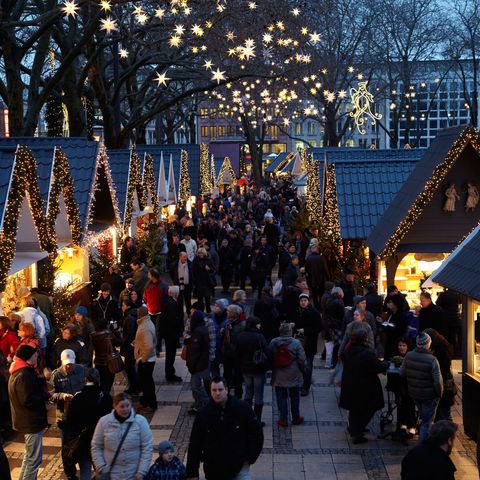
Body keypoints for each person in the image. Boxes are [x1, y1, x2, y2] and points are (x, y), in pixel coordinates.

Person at [186, 376, 264, 480]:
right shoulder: (203, 414)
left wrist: (249, 457)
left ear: (226, 390)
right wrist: (192, 473)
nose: (217, 393)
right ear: (210, 391)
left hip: (239, 468)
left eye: (220, 389)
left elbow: (257, 433)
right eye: (214, 390)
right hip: (214, 471)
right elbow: (195, 444)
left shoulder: (242, 408)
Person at [339, 322, 389, 444]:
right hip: (365, 387)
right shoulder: (367, 353)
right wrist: (386, 364)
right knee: (368, 408)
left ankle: (355, 428)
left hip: (351, 384)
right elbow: (376, 366)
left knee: (354, 409)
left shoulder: (349, 350)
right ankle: (356, 431)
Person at [8, 345, 48, 480]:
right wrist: (45, 396)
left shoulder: (19, 370)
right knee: (34, 460)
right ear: (27, 357)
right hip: (30, 421)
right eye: (34, 355)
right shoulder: (23, 374)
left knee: (29, 456)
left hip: (26, 420)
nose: (37, 356)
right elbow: (27, 399)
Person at [91, 392, 153, 480]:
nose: (125, 409)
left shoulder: (141, 422)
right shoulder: (103, 422)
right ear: (115, 406)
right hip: (111, 475)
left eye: (127, 406)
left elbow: (147, 447)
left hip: (133, 474)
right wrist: (101, 467)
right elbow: (96, 446)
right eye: (122, 406)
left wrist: (141, 471)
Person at [65, 368, 113, 480]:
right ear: (99, 379)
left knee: (85, 471)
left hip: (83, 441)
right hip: (101, 441)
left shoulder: (77, 398)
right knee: (101, 472)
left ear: (85, 379)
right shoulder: (106, 398)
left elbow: (70, 420)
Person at [400, 332, 443, 443]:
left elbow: (402, 373)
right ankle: (422, 447)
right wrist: (439, 393)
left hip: (414, 393)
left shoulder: (409, 355)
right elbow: (437, 382)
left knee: (423, 417)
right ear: (428, 344)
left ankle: (424, 441)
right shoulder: (432, 360)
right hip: (429, 395)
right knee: (427, 422)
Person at [51, 349, 87, 480]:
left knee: (82, 442)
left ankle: (84, 470)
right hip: (64, 417)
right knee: (66, 447)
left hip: (80, 415)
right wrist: (62, 396)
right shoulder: (56, 375)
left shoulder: (82, 370)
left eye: (71, 364)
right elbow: (51, 396)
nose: (69, 366)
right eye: (66, 364)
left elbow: (87, 387)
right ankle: (70, 473)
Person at [269, 322, 307, 427]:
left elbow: (270, 356)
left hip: (278, 374)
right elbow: (302, 359)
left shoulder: (274, 342)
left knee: (281, 397)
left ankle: (283, 419)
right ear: (290, 332)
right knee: (295, 397)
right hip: (294, 373)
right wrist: (304, 370)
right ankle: (296, 417)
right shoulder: (296, 343)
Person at [236, 316, 269, 426]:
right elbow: (267, 351)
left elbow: (237, 352)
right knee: (258, 394)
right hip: (258, 369)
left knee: (248, 393)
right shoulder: (259, 336)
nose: (260, 325)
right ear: (255, 324)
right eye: (259, 323)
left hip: (245, 369)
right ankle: (257, 420)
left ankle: (247, 418)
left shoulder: (240, 336)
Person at [293, 293, 322, 396]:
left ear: (308, 301)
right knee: (298, 365)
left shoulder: (314, 313)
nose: (303, 302)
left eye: (305, 300)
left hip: (309, 344)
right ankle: (299, 383)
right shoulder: (296, 311)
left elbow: (318, 328)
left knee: (308, 366)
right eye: (301, 301)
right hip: (298, 343)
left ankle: (306, 386)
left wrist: (305, 330)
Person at [424, 328, 455, 421]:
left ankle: (446, 430)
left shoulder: (440, 349)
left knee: (442, 409)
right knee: (445, 409)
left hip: (443, 380)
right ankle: (448, 429)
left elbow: (440, 367)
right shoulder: (444, 344)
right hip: (446, 379)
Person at [185, 310, 210, 415]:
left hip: (198, 365)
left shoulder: (197, 332)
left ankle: (208, 405)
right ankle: (199, 405)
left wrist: (191, 365)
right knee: (197, 386)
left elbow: (195, 352)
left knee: (196, 386)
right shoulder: (202, 329)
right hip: (202, 362)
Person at [158, 286, 184, 382]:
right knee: (170, 355)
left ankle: (170, 372)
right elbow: (174, 319)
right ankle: (170, 374)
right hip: (171, 333)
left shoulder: (167, 301)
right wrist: (180, 330)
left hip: (168, 333)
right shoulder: (171, 303)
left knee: (170, 354)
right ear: (174, 293)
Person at [134, 306, 157, 413]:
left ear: (141, 314)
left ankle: (150, 404)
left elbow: (149, 346)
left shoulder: (145, 327)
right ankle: (145, 402)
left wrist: (143, 359)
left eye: (138, 313)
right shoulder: (145, 323)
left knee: (147, 383)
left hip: (146, 360)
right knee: (145, 383)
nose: (137, 314)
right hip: (147, 359)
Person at [90, 318, 120, 394]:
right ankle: (106, 399)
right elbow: (118, 342)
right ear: (106, 325)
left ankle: (100, 398)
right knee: (108, 384)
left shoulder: (93, 335)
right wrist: (116, 331)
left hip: (98, 362)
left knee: (100, 382)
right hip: (108, 362)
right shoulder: (108, 334)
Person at [222, 304, 246, 398]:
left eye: (228, 312)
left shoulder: (242, 325)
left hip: (236, 354)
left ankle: (238, 394)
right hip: (227, 353)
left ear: (233, 314)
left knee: (238, 375)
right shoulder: (228, 322)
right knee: (226, 374)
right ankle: (226, 393)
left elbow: (240, 340)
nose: (226, 313)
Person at [143, 268, 168, 356]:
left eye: (149, 274)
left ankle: (158, 348)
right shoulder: (148, 285)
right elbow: (145, 297)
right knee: (151, 331)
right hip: (150, 311)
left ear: (153, 275)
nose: (147, 276)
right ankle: (152, 347)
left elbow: (166, 298)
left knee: (158, 331)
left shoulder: (163, 285)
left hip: (159, 312)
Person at [323, 287, 345, 369]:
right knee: (337, 345)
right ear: (340, 293)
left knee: (331, 345)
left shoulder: (330, 300)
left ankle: (329, 363)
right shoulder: (338, 301)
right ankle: (334, 362)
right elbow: (341, 315)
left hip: (330, 326)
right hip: (336, 326)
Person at [120, 299, 139, 394]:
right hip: (131, 346)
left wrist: (122, 341)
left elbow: (130, 333)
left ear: (128, 306)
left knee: (129, 368)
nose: (122, 307)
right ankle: (135, 387)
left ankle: (134, 388)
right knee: (130, 367)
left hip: (129, 347)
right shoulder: (130, 315)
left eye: (123, 305)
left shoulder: (129, 317)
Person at [383, 293, 408, 359]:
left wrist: (389, 326)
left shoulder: (401, 316)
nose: (389, 303)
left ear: (396, 304)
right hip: (389, 342)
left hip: (396, 345)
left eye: (391, 302)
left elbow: (400, 329)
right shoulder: (391, 314)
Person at [304, 245, 329, 309]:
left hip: (312, 280)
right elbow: (325, 269)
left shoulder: (308, 258)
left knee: (314, 295)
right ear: (318, 250)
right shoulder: (321, 258)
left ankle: (316, 307)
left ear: (312, 250)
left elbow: (306, 270)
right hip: (321, 280)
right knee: (321, 294)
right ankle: (320, 306)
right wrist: (328, 278)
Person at [192, 248, 215, 313]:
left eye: (202, 253)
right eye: (199, 253)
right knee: (200, 299)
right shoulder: (195, 261)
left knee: (207, 298)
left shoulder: (208, 260)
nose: (200, 254)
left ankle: (208, 311)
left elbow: (213, 270)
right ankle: (200, 312)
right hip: (199, 282)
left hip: (207, 282)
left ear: (204, 253)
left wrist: (209, 269)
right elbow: (193, 271)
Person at [172, 251, 193, 316]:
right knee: (179, 300)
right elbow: (172, 273)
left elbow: (192, 274)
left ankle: (188, 312)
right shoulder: (175, 264)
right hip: (179, 285)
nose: (185, 258)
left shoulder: (190, 264)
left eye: (186, 257)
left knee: (188, 300)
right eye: (184, 257)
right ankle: (180, 313)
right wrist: (174, 280)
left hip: (187, 285)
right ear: (180, 257)